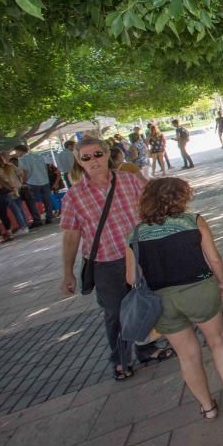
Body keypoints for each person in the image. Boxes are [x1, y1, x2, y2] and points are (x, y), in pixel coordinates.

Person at [126, 178, 223, 420]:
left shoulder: (135, 234)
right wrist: (221, 282)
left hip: (162, 300)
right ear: (180, 197)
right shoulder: (192, 221)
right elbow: (214, 258)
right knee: (218, 341)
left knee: (187, 355)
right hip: (199, 290)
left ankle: (208, 407)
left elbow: (131, 276)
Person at [59, 137, 173, 381]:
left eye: (97, 154)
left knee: (145, 302)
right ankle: (121, 359)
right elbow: (71, 237)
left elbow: (153, 210)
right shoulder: (74, 197)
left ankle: (147, 348)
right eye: (86, 157)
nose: (93, 161)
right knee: (115, 313)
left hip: (140, 255)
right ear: (79, 161)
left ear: (107, 154)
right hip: (105, 263)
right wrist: (67, 272)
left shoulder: (130, 181)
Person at [16, 144, 55, 228]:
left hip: (32, 181)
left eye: (16, 152)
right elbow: (45, 167)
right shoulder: (38, 156)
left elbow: (24, 172)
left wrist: (23, 182)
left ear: (20, 151)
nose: (16, 154)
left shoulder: (22, 159)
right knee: (47, 199)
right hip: (44, 180)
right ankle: (49, 217)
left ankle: (37, 220)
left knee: (31, 201)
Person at [0, 154, 26, 237]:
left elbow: (5, 180)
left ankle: (23, 227)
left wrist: (12, 187)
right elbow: (21, 173)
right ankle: (25, 226)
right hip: (18, 187)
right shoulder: (10, 165)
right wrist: (20, 182)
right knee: (20, 208)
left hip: (8, 191)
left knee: (16, 210)